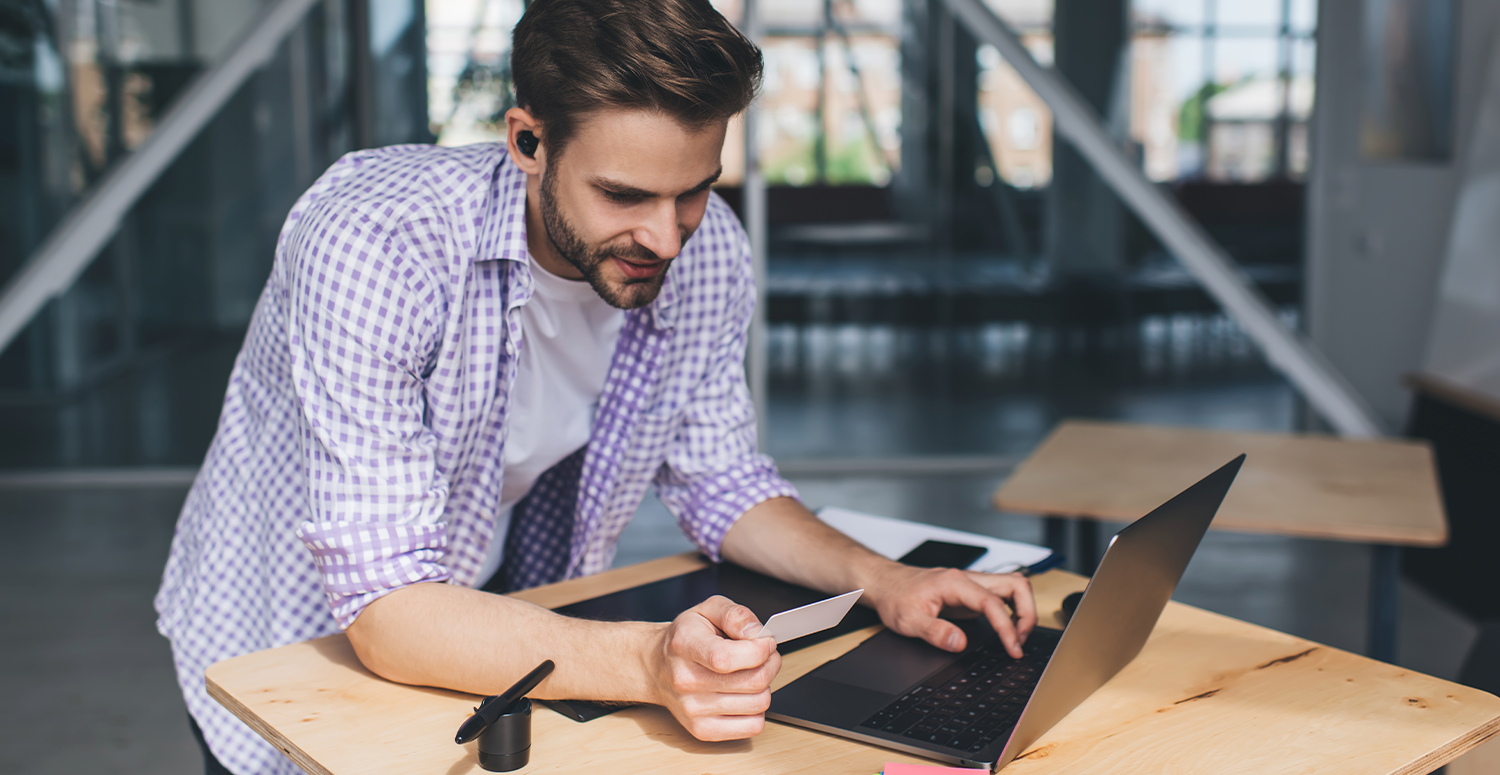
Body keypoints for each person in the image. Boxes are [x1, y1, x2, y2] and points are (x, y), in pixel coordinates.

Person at [155, 0, 1037, 772]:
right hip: (290, 638)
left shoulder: (709, 247)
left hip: (489, 603)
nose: (666, 237)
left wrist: (886, 580)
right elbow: (387, 608)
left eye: (693, 191)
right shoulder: (377, 243)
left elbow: (720, 480)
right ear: (527, 140)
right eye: (623, 194)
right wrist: (648, 663)